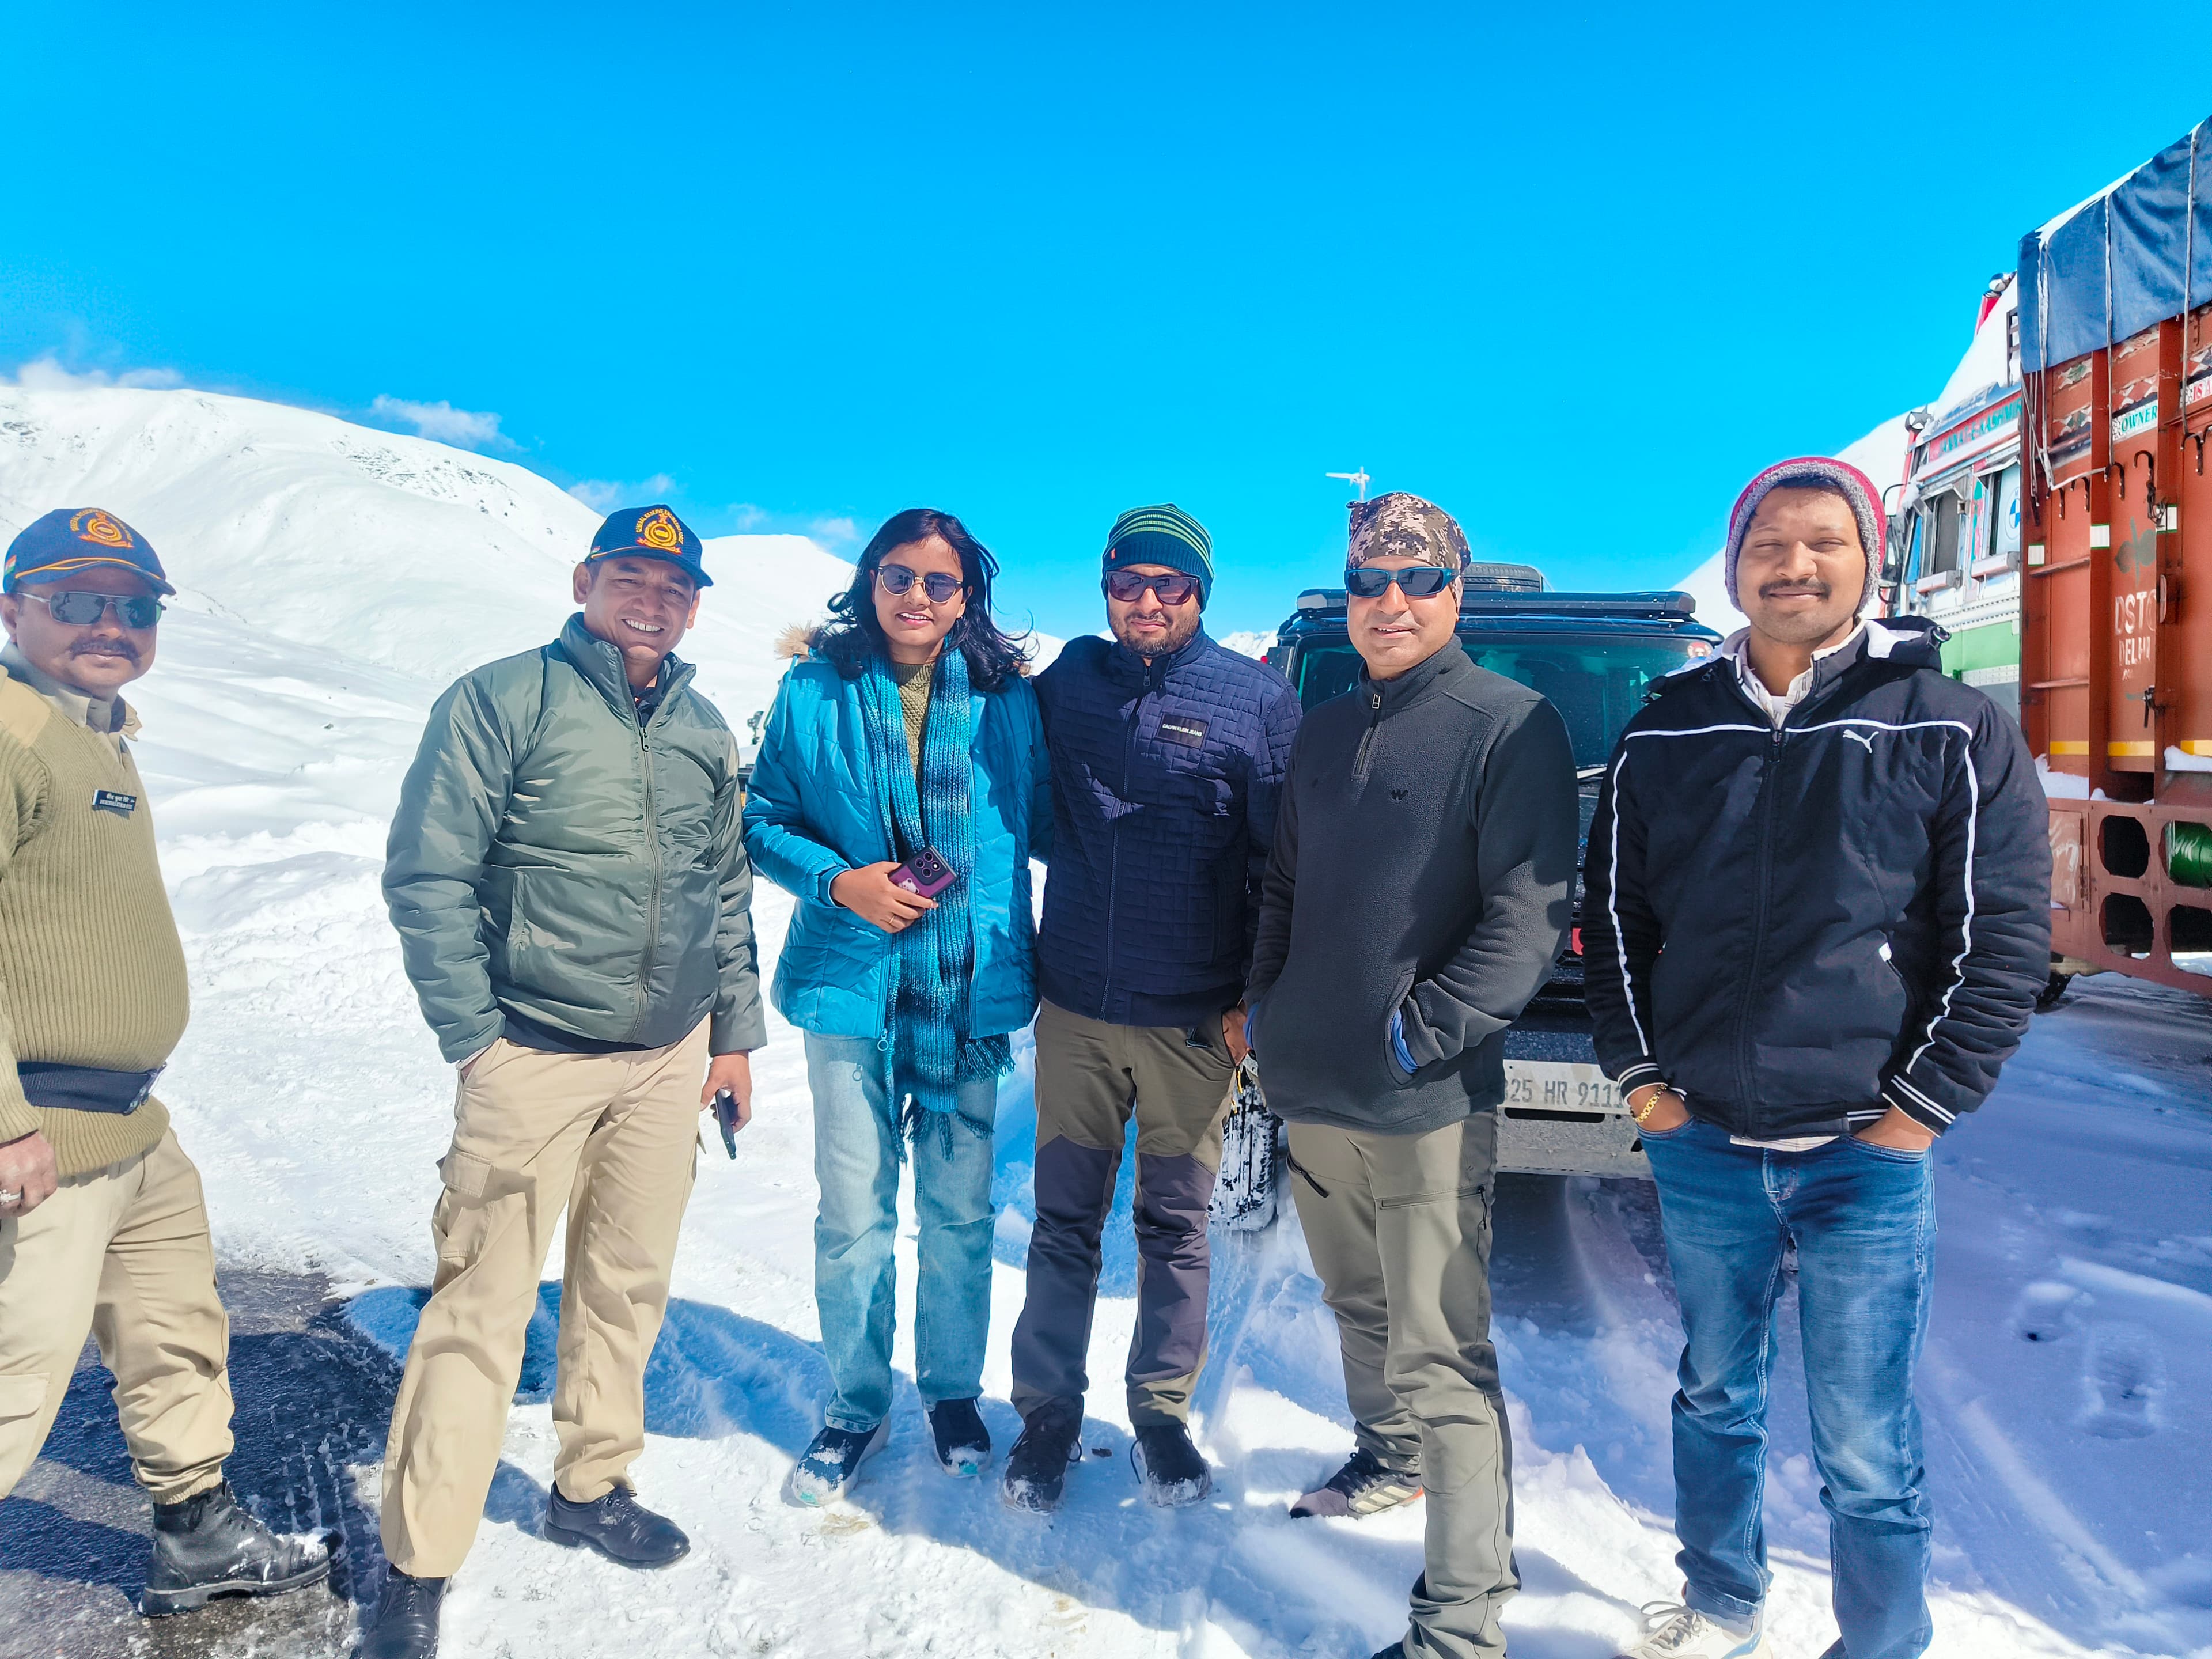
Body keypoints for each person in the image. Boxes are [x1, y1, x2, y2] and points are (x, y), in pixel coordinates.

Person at [1581, 458, 2049, 1659]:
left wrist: (1923, 1107)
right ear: (1736, 569)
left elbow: (2000, 934)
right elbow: (1617, 916)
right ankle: (1723, 1595)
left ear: (1869, 558)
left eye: (1821, 542)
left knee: (1863, 1437)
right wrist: (1642, 1079)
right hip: (1708, 1146)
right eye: (1767, 545)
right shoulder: (1668, 731)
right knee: (1714, 1397)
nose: (1793, 564)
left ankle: (1882, 1643)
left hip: (1865, 1155)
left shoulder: (1949, 724)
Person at [365, 505, 767, 1659]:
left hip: (666, 1056)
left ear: (695, 604)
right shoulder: (502, 699)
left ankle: (591, 1485)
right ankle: (419, 1555)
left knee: (626, 1285)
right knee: (480, 1307)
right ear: (588, 578)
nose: (654, 599)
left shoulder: (699, 727)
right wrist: (475, 1038)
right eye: (633, 576)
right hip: (530, 1053)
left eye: (675, 585)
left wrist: (730, 1036)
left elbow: (723, 893)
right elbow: (427, 874)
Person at [1247, 492, 1578, 1659]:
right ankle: (1389, 1466)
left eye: (1417, 579)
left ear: (1456, 590)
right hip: (1313, 1087)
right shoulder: (1328, 726)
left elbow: (1530, 910)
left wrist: (1423, 1030)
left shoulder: (1510, 721)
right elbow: (1285, 885)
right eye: (1368, 580)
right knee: (1357, 1307)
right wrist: (1267, 1005)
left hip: (1425, 1099)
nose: (1389, 602)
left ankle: (1463, 1620)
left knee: (1443, 1356)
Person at [0, 509, 335, 1616]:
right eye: (76, 598)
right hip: (39, 1129)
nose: (110, 622)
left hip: (132, 1127)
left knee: (175, 1330)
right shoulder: (9, 733)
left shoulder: (93, 732)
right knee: (14, 1383)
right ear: (12, 607)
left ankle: (198, 1536)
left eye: (134, 605)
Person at [744, 507, 1048, 1503]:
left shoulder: (1010, 703)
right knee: (855, 1214)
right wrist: (841, 884)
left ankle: (953, 1392)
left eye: (940, 582)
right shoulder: (812, 690)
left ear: (969, 597)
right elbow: (764, 819)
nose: (918, 597)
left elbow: (1053, 822)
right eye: (899, 576)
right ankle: (857, 1401)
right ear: (868, 579)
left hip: (967, 991)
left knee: (960, 1212)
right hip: (848, 988)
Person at [1001, 503, 1298, 1512]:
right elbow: (1003, 765)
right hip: (1078, 1007)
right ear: (1107, 587)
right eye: (1131, 583)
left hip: (1191, 1022)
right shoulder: (1068, 685)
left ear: (1200, 594)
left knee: (1174, 1225)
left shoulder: (1256, 700)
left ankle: (1160, 1413)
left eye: (1171, 585)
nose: (1149, 601)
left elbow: (1283, 863)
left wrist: (1255, 996)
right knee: (1063, 1221)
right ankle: (1047, 1410)